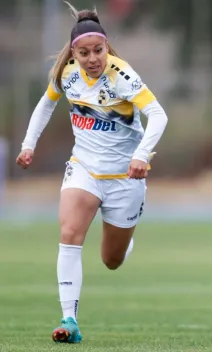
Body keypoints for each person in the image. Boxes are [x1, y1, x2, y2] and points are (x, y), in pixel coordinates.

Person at [15, 3, 168, 344]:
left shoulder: (122, 76)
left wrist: (142, 155)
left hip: (125, 180)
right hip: (83, 169)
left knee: (111, 260)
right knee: (69, 233)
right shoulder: (68, 74)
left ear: (106, 46)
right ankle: (69, 320)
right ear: (75, 53)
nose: (93, 59)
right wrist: (28, 144)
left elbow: (158, 115)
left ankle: (123, 243)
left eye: (98, 50)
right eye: (84, 53)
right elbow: (46, 104)